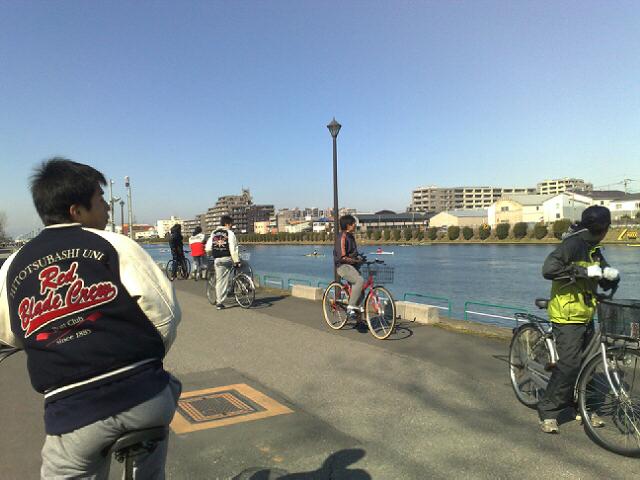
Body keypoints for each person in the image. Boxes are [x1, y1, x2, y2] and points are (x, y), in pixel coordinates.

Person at [0, 157, 181, 478]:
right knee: (165, 394)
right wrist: (146, 357)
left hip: (72, 413)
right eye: (100, 200)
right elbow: (165, 313)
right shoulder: (116, 245)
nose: (108, 208)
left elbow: (9, 335)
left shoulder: (13, 265)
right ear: (77, 211)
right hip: (144, 396)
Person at [538, 205, 620, 433]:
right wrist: (584, 272)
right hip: (567, 315)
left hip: (586, 312)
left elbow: (601, 275)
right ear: (603, 228)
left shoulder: (595, 249)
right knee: (569, 365)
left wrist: (610, 277)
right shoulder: (572, 245)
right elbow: (548, 269)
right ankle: (548, 410)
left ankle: (584, 407)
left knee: (589, 364)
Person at [205, 215, 240, 310]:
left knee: (220, 280)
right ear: (227, 224)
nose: (231, 226)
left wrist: (211, 254)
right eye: (231, 224)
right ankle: (220, 302)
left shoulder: (214, 233)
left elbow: (208, 248)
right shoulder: (229, 233)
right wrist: (236, 261)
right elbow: (233, 248)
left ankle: (219, 299)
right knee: (242, 265)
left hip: (217, 259)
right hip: (227, 258)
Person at [334, 215, 365, 319]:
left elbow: (353, 253)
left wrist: (360, 258)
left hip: (352, 265)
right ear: (348, 225)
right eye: (353, 223)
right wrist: (355, 260)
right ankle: (350, 307)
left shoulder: (351, 236)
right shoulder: (342, 237)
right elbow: (342, 257)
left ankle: (358, 320)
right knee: (359, 281)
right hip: (343, 266)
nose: (355, 224)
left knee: (361, 291)